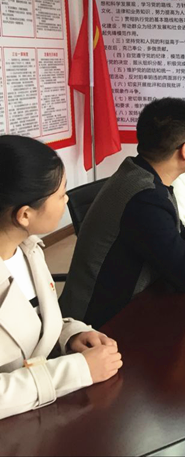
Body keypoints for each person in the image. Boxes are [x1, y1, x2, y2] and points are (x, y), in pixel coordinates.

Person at [60, 98, 185, 328]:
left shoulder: (142, 174)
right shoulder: (145, 197)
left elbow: (179, 235)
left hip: (133, 303)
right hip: (100, 324)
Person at [0, 136, 122, 420]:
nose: (67, 200)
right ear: (25, 215)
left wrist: (70, 334)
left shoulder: (27, 248)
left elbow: (31, 320)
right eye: (60, 194)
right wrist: (76, 370)